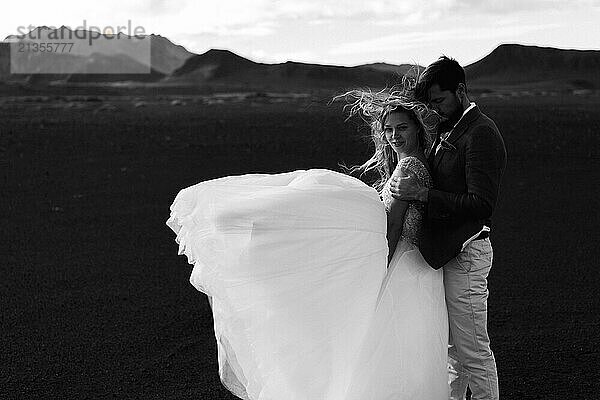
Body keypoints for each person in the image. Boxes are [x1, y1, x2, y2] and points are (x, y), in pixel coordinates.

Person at [166, 79, 449, 399]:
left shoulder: (409, 166)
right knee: (403, 349)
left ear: (417, 129)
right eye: (388, 129)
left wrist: (378, 268)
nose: (394, 135)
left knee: (384, 345)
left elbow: (394, 223)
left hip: (403, 262)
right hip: (415, 264)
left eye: (402, 128)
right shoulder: (411, 162)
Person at [390, 56, 507, 400]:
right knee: (454, 353)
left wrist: (423, 194)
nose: (436, 110)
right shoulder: (448, 128)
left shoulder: (481, 132)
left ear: (461, 90)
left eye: (440, 101)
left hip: (467, 253)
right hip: (448, 253)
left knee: (473, 354)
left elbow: (481, 205)